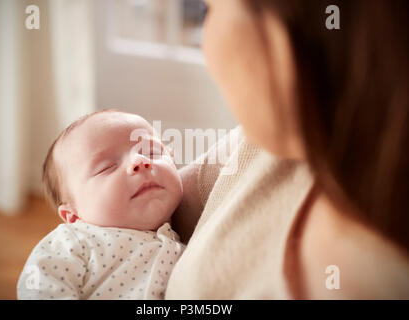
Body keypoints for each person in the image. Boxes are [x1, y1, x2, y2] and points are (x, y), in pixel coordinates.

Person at [166, 0, 409, 299]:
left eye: (210, 10)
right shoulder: (272, 141)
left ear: (284, 44)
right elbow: (156, 199)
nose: (205, 43)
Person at [17, 110, 185, 299]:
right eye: (107, 167)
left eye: (152, 152)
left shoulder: (193, 230)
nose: (140, 161)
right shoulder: (75, 241)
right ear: (73, 216)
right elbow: (41, 287)